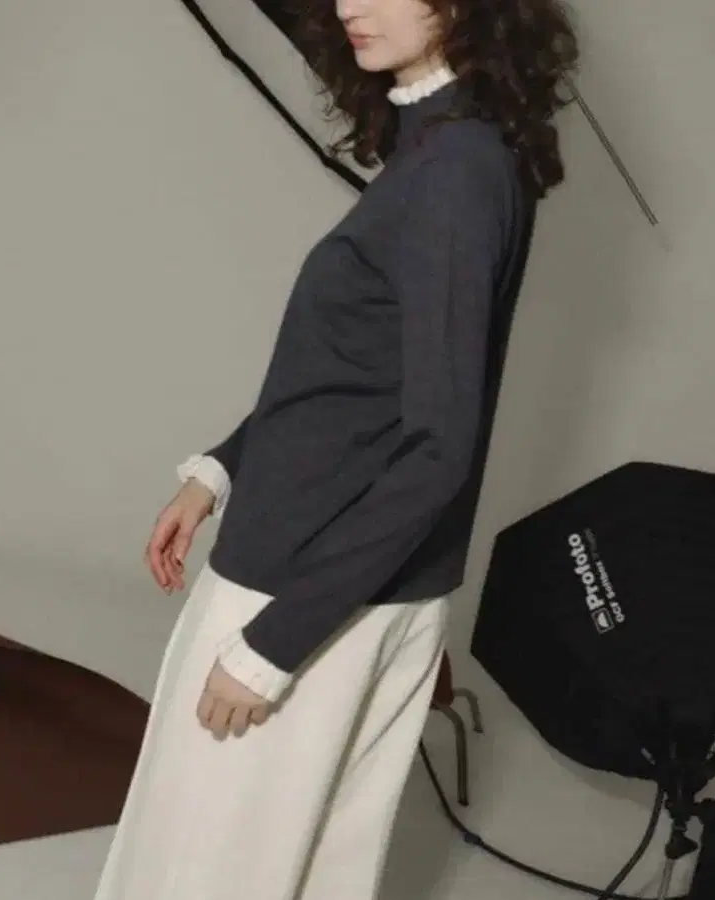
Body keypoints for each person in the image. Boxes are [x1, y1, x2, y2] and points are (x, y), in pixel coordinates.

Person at [93, 1, 578, 898]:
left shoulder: (455, 172)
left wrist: (274, 644)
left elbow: (439, 449)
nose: (352, 3)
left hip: (314, 582)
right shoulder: (444, 143)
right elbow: (353, 374)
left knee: (204, 875)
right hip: (341, 566)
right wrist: (221, 470)